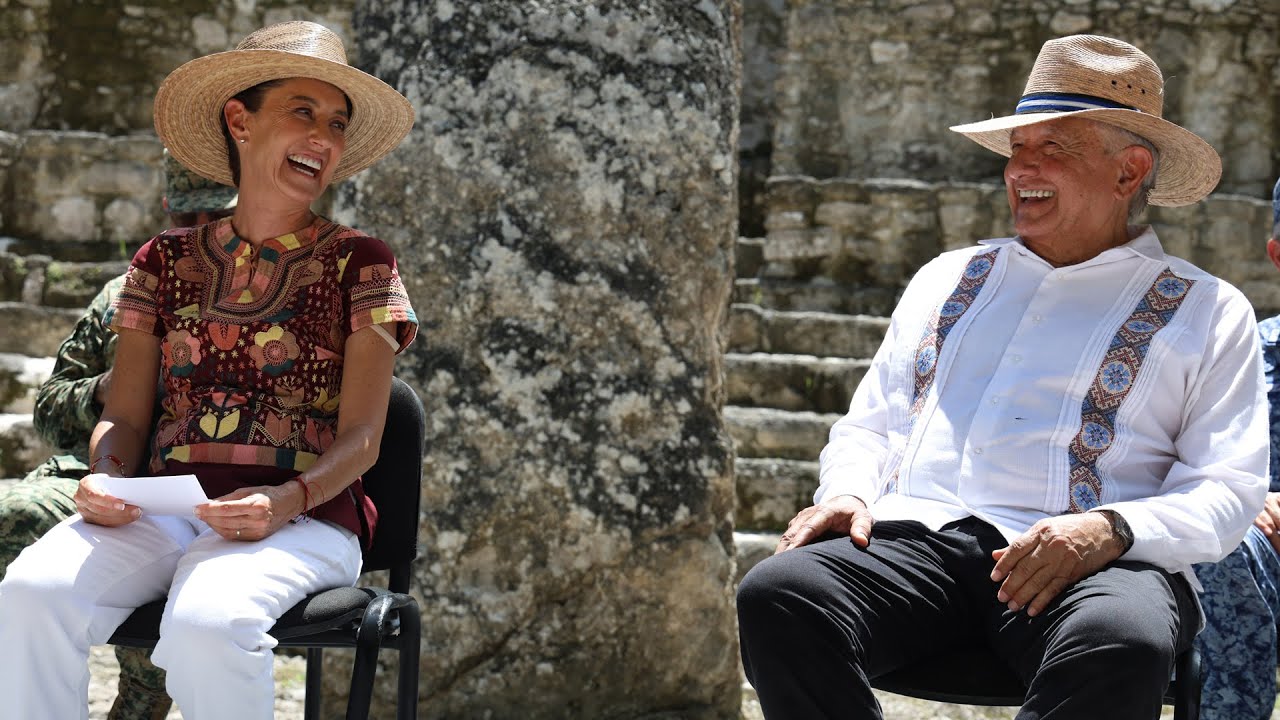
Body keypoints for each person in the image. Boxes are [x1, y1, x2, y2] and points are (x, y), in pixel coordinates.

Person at [736, 34, 1268, 720]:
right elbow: (872, 423)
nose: (1025, 169)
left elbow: (1227, 489)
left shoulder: (1209, 309)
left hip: (1094, 568)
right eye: (1019, 149)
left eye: (1056, 149)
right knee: (779, 594)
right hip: (919, 545)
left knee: (1121, 638)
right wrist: (846, 491)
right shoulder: (947, 276)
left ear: (1129, 172)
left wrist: (1109, 529)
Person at [0, 20, 417, 718]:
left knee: (208, 626)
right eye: (302, 112)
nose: (323, 137)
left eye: (337, 123)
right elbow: (126, 416)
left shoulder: (362, 262)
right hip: (167, 510)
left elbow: (364, 441)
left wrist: (285, 501)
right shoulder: (159, 263)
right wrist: (104, 476)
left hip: (306, 521)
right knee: (31, 594)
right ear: (238, 120)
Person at [0, 149, 237, 719]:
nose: (202, 233)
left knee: (192, 561)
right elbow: (51, 412)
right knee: (13, 512)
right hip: (107, 481)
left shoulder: (265, 300)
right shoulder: (123, 294)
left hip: (213, 496)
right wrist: (111, 385)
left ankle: (142, 699)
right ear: (166, 210)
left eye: (218, 219)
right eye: (188, 220)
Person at [1191, 177, 1280, 720]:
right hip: (1265, 557)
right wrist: (1246, 498)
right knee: (1220, 541)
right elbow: (1178, 465)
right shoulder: (1241, 356)